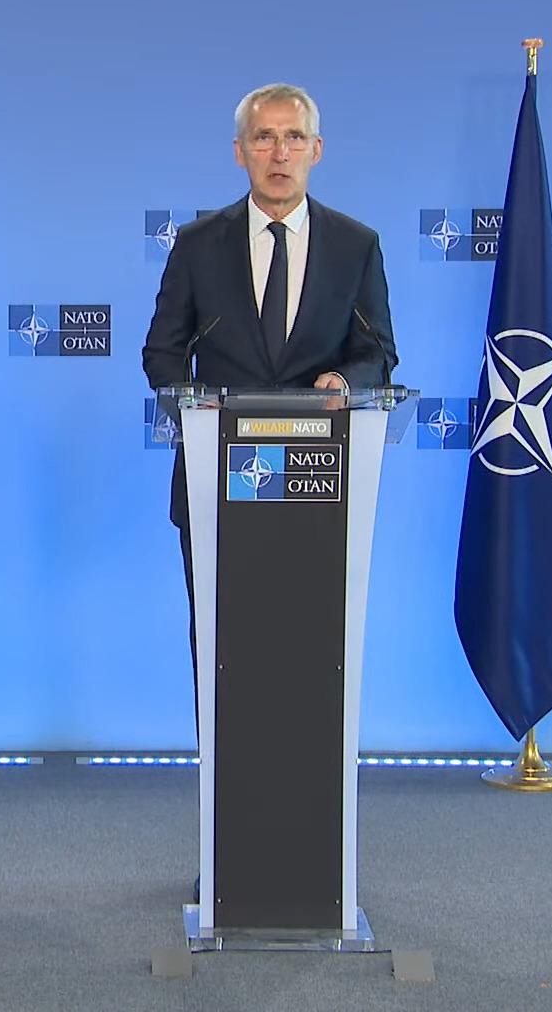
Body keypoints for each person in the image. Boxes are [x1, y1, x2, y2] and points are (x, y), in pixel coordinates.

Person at [140, 83, 399, 719]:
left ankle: (306, 769)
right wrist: (193, 404)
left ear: (317, 150)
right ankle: (223, 774)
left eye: (293, 138)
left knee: (308, 655)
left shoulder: (355, 245)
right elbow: (162, 353)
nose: (279, 153)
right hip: (217, 481)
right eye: (264, 138)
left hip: (318, 482)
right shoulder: (198, 244)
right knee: (224, 651)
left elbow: (378, 352)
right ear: (240, 152)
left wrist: (346, 382)